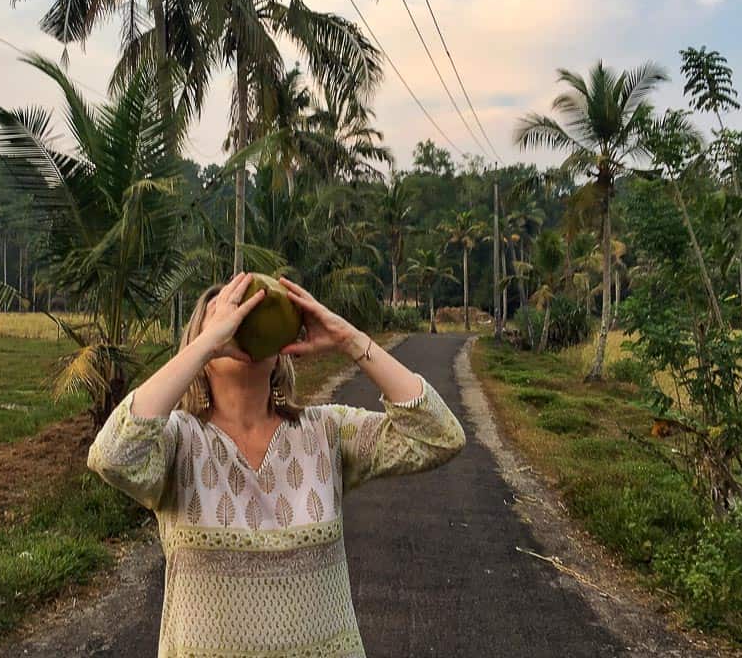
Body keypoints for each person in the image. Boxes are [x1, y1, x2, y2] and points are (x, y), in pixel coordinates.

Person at [87, 272, 467, 657]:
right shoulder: (178, 442)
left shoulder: (326, 431)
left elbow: (440, 436)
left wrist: (349, 340)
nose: (242, 320)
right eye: (227, 317)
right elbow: (113, 455)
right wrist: (205, 345)